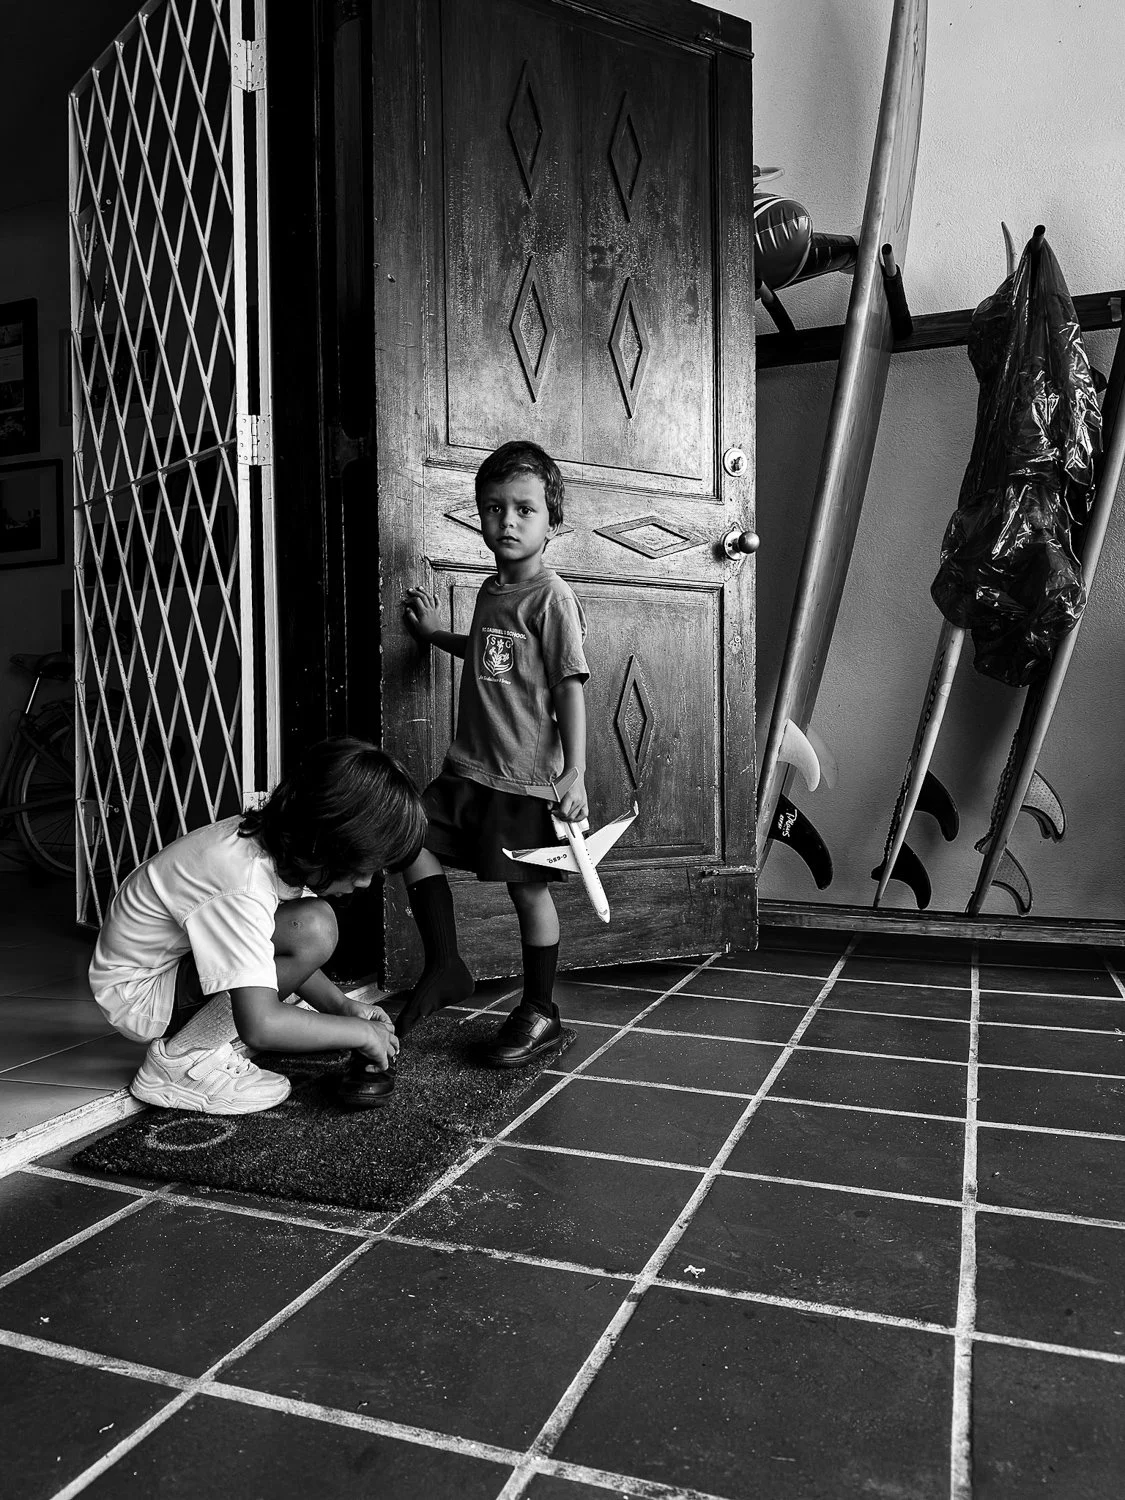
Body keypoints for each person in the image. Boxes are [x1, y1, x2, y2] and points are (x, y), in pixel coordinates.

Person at [341, 440, 588, 1107]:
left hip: (524, 780)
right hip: (466, 772)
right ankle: (445, 963)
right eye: (492, 509)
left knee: (527, 895)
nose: (506, 522)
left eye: (523, 510)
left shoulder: (552, 598)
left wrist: (576, 772)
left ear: (550, 521)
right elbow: (489, 651)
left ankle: (540, 1007)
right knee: (406, 840)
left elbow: (568, 686)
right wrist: (432, 637)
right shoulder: (490, 589)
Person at [88, 738, 426, 1114]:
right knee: (314, 927)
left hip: (170, 968)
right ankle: (181, 1061)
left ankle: (203, 1035)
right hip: (142, 994)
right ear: (327, 842)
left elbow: (269, 947)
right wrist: (360, 1034)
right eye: (365, 866)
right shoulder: (241, 880)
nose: (365, 882)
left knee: (310, 924)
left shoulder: (272, 847)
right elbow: (260, 1026)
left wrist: (341, 1007)